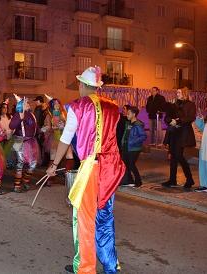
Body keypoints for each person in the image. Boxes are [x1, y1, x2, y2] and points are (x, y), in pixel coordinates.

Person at [46, 66, 125, 274]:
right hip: (110, 168)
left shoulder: (78, 106)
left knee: (84, 219)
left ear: (82, 85)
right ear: (97, 87)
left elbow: (65, 138)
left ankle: (85, 268)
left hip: (91, 168)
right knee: (106, 218)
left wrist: (53, 165)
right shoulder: (113, 107)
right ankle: (111, 266)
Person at [162, 87, 196, 190]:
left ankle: (189, 179)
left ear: (184, 93)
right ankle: (172, 180)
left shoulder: (190, 104)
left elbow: (190, 117)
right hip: (174, 133)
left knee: (179, 156)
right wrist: (170, 121)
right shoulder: (174, 104)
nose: (177, 94)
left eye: (179, 92)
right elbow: (167, 117)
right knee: (173, 156)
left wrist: (178, 121)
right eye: (177, 92)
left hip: (183, 133)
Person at [9, 94, 40, 192]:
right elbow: (11, 126)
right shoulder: (18, 114)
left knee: (33, 163)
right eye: (26, 103)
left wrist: (41, 131)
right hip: (19, 140)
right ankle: (17, 185)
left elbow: (35, 128)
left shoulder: (32, 114)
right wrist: (20, 118)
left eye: (27, 102)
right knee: (20, 162)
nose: (28, 104)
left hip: (31, 141)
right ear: (21, 105)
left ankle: (25, 180)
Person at [41, 94, 75, 174]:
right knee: (53, 158)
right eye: (55, 103)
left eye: (58, 103)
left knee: (70, 157)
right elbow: (48, 127)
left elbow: (68, 124)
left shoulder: (63, 114)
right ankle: (49, 178)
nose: (57, 105)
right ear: (52, 105)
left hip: (65, 137)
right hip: (54, 138)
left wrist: (64, 126)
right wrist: (51, 128)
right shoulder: (49, 115)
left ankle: (68, 175)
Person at [120, 106, 147, 187]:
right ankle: (129, 181)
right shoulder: (128, 123)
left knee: (131, 165)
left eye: (128, 113)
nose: (127, 115)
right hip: (126, 147)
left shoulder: (138, 124)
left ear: (134, 114)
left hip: (134, 148)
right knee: (125, 164)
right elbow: (126, 134)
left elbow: (143, 136)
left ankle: (138, 181)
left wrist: (132, 142)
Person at [34, 95, 49, 166]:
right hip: (43, 130)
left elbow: (37, 120)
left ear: (39, 101)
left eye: (36, 101)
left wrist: (37, 130)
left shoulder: (38, 108)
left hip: (39, 130)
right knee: (43, 146)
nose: (35, 102)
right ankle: (44, 161)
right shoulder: (45, 109)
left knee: (39, 146)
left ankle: (41, 161)